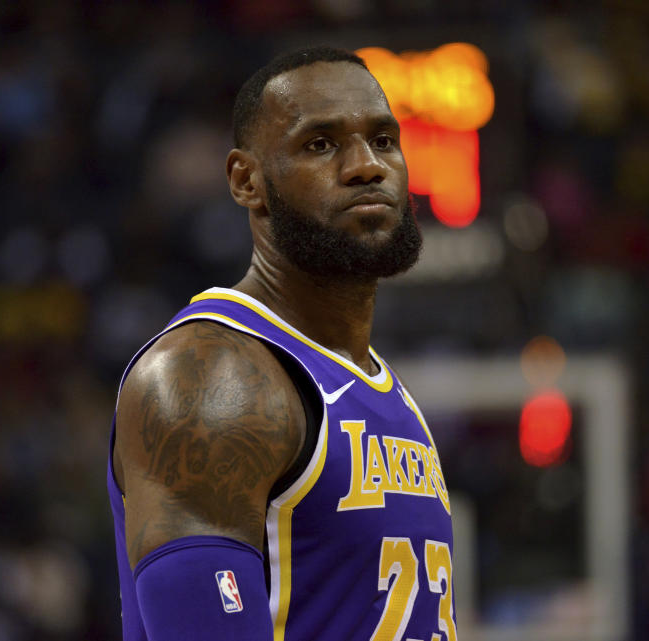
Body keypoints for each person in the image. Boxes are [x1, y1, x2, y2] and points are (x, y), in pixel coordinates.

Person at [108, 46, 456, 640]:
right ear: (248, 181)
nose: (365, 166)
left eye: (383, 139)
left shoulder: (376, 384)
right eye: (320, 144)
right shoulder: (214, 378)